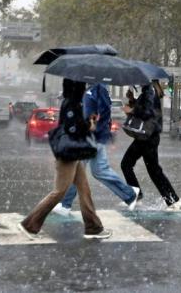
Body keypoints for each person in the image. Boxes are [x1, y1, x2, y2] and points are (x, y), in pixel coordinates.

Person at [18, 79, 111, 240]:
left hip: (74, 153)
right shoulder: (71, 103)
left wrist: (88, 121)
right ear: (76, 87)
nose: (84, 88)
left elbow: (75, 124)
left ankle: (93, 227)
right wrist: (88, 125)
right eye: (82, 85)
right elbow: (71, 128)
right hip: (68, 154)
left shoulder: (74, 102)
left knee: (84, 189)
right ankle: (29, 225)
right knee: (59, 192)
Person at [52, 83, 141, 216]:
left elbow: (103, 114)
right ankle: (130, 195)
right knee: (100, 170)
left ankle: (65, 204)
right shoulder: (90, 89)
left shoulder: (97, 89)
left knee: (76, 168)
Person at [121, 80, 181, 210]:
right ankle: (172, 199)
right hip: (146, 137)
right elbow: (146, 109)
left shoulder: (149, 91)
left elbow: (147, 113)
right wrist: (132, 100)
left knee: (138, 167)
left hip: (148, 137)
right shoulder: (148, 91)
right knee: (150, 169)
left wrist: (132, 109)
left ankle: (171, 199)